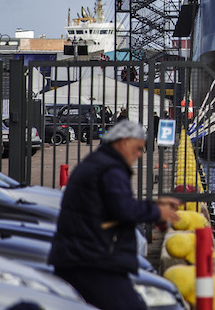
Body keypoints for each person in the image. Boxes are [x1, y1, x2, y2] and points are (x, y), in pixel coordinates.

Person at [48, 118, 181, 310]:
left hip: (83, 256)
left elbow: (111, 205)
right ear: (123, 142)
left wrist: (153, 206)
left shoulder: (100, 163)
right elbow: (122, 209)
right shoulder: (111, 169)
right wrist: (157, 211)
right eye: (137, 148)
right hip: (93, 260)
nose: (139, 155)